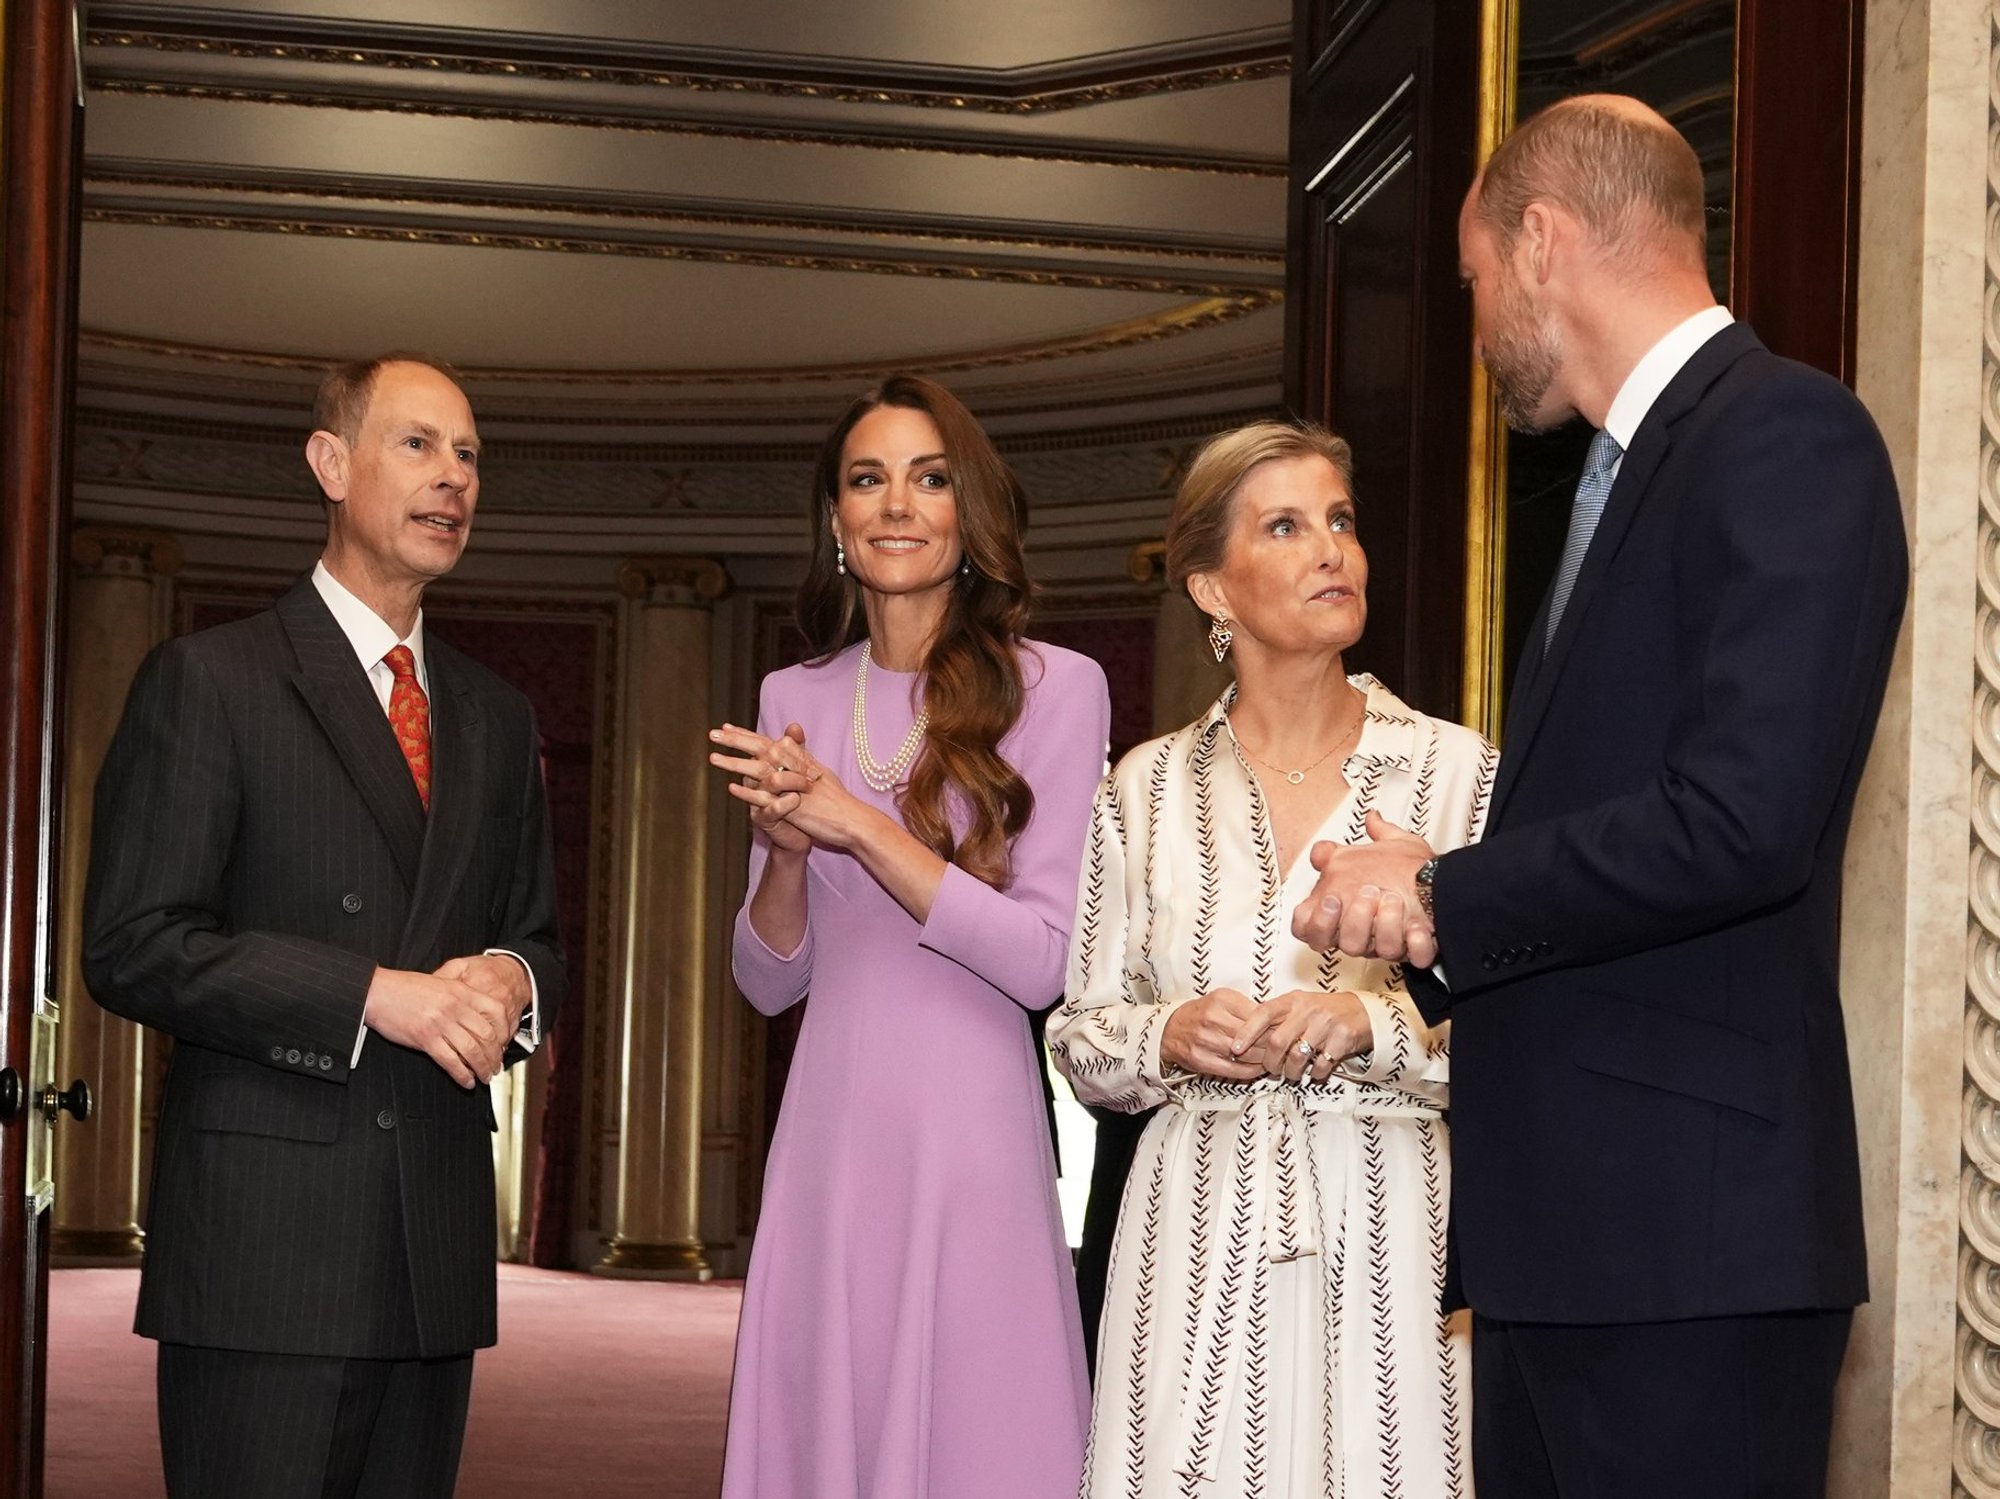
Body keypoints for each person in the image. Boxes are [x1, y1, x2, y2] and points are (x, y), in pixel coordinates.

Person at [1292, 96, 1908, 1497]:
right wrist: (1436, 889)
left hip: (1688, 1246)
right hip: (1573, 1237)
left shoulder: (1786, 436)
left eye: (1475, 280)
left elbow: (1744, 819)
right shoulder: (1617, 477)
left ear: (1546, 240)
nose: (1479, 315)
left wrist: (1448, 892)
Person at [84, 354, 565, 1499]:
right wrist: (367, 992)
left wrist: (510, 980)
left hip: (434, 1248)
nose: (452, 477)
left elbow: (536, 930)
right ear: (330, 462)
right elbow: (134, 940)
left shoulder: (497, 715)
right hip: (268, 1249)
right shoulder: (209, 679)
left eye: (469, 456)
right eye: (418, 445)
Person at [1049, 420, 1496, 1498]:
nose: (1330, 549)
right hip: (1189, 1219)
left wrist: (1371, 1025)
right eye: (1286, 526)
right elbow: (1079, 1033)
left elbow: (1521, 1021)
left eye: (1339, 520)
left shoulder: (1455, 770)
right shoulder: (1142, 789)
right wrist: (1167, 1032)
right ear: (1210, 587)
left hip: (1394, 1213)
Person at [709, 374, 1108, 1499]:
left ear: (968, 511)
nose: (896, 503)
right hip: (830, 1133)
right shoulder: (794, 685)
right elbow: (766, 979)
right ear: (834, 519)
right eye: (866, 478)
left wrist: (853, 824)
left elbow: (1041, 959)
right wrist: (788, 852)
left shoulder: (1054, 687)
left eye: (929, 478)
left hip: (971, 1137)